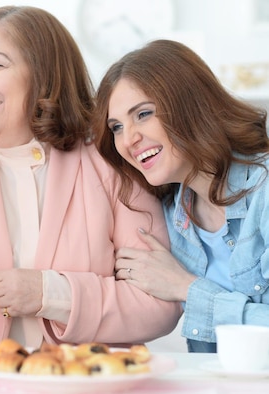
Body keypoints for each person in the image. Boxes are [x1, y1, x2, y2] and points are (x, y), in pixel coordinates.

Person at [0, 6, 181, 355]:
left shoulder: (114, 165)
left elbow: (157, 304)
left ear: (45, 76)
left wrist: (49, 292)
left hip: (85, 387)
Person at [93, 39, 269, 353]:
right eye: (117, 126)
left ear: (190, 104)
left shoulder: (264, 190)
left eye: (143, 114)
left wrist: (186, 287)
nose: (128, 138)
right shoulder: (173, 216)